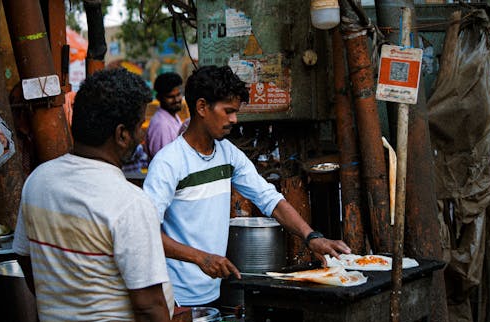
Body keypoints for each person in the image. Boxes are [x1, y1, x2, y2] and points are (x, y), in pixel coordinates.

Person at [143, 65, 351, 307]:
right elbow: (146, 233)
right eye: (228, 111)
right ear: (201, 107)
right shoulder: (168, 162)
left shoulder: (227, 154)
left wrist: (311, 236)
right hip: (175, 298)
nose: (234, 120)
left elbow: (268, 198)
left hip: (214, 292)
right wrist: (201, 258)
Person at [12, 68, 174, 322]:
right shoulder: (129, 202)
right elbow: (149, 310)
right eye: (139, 127)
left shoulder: (38, 181)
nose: (142, 138)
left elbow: (26, 259)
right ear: (122, 134)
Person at [145, 72, 184, 159]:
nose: (177, 100)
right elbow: (164, 160)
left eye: (178, 95)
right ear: (159, 97)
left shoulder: (173, 116)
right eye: (171, 97)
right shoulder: (161, 125)